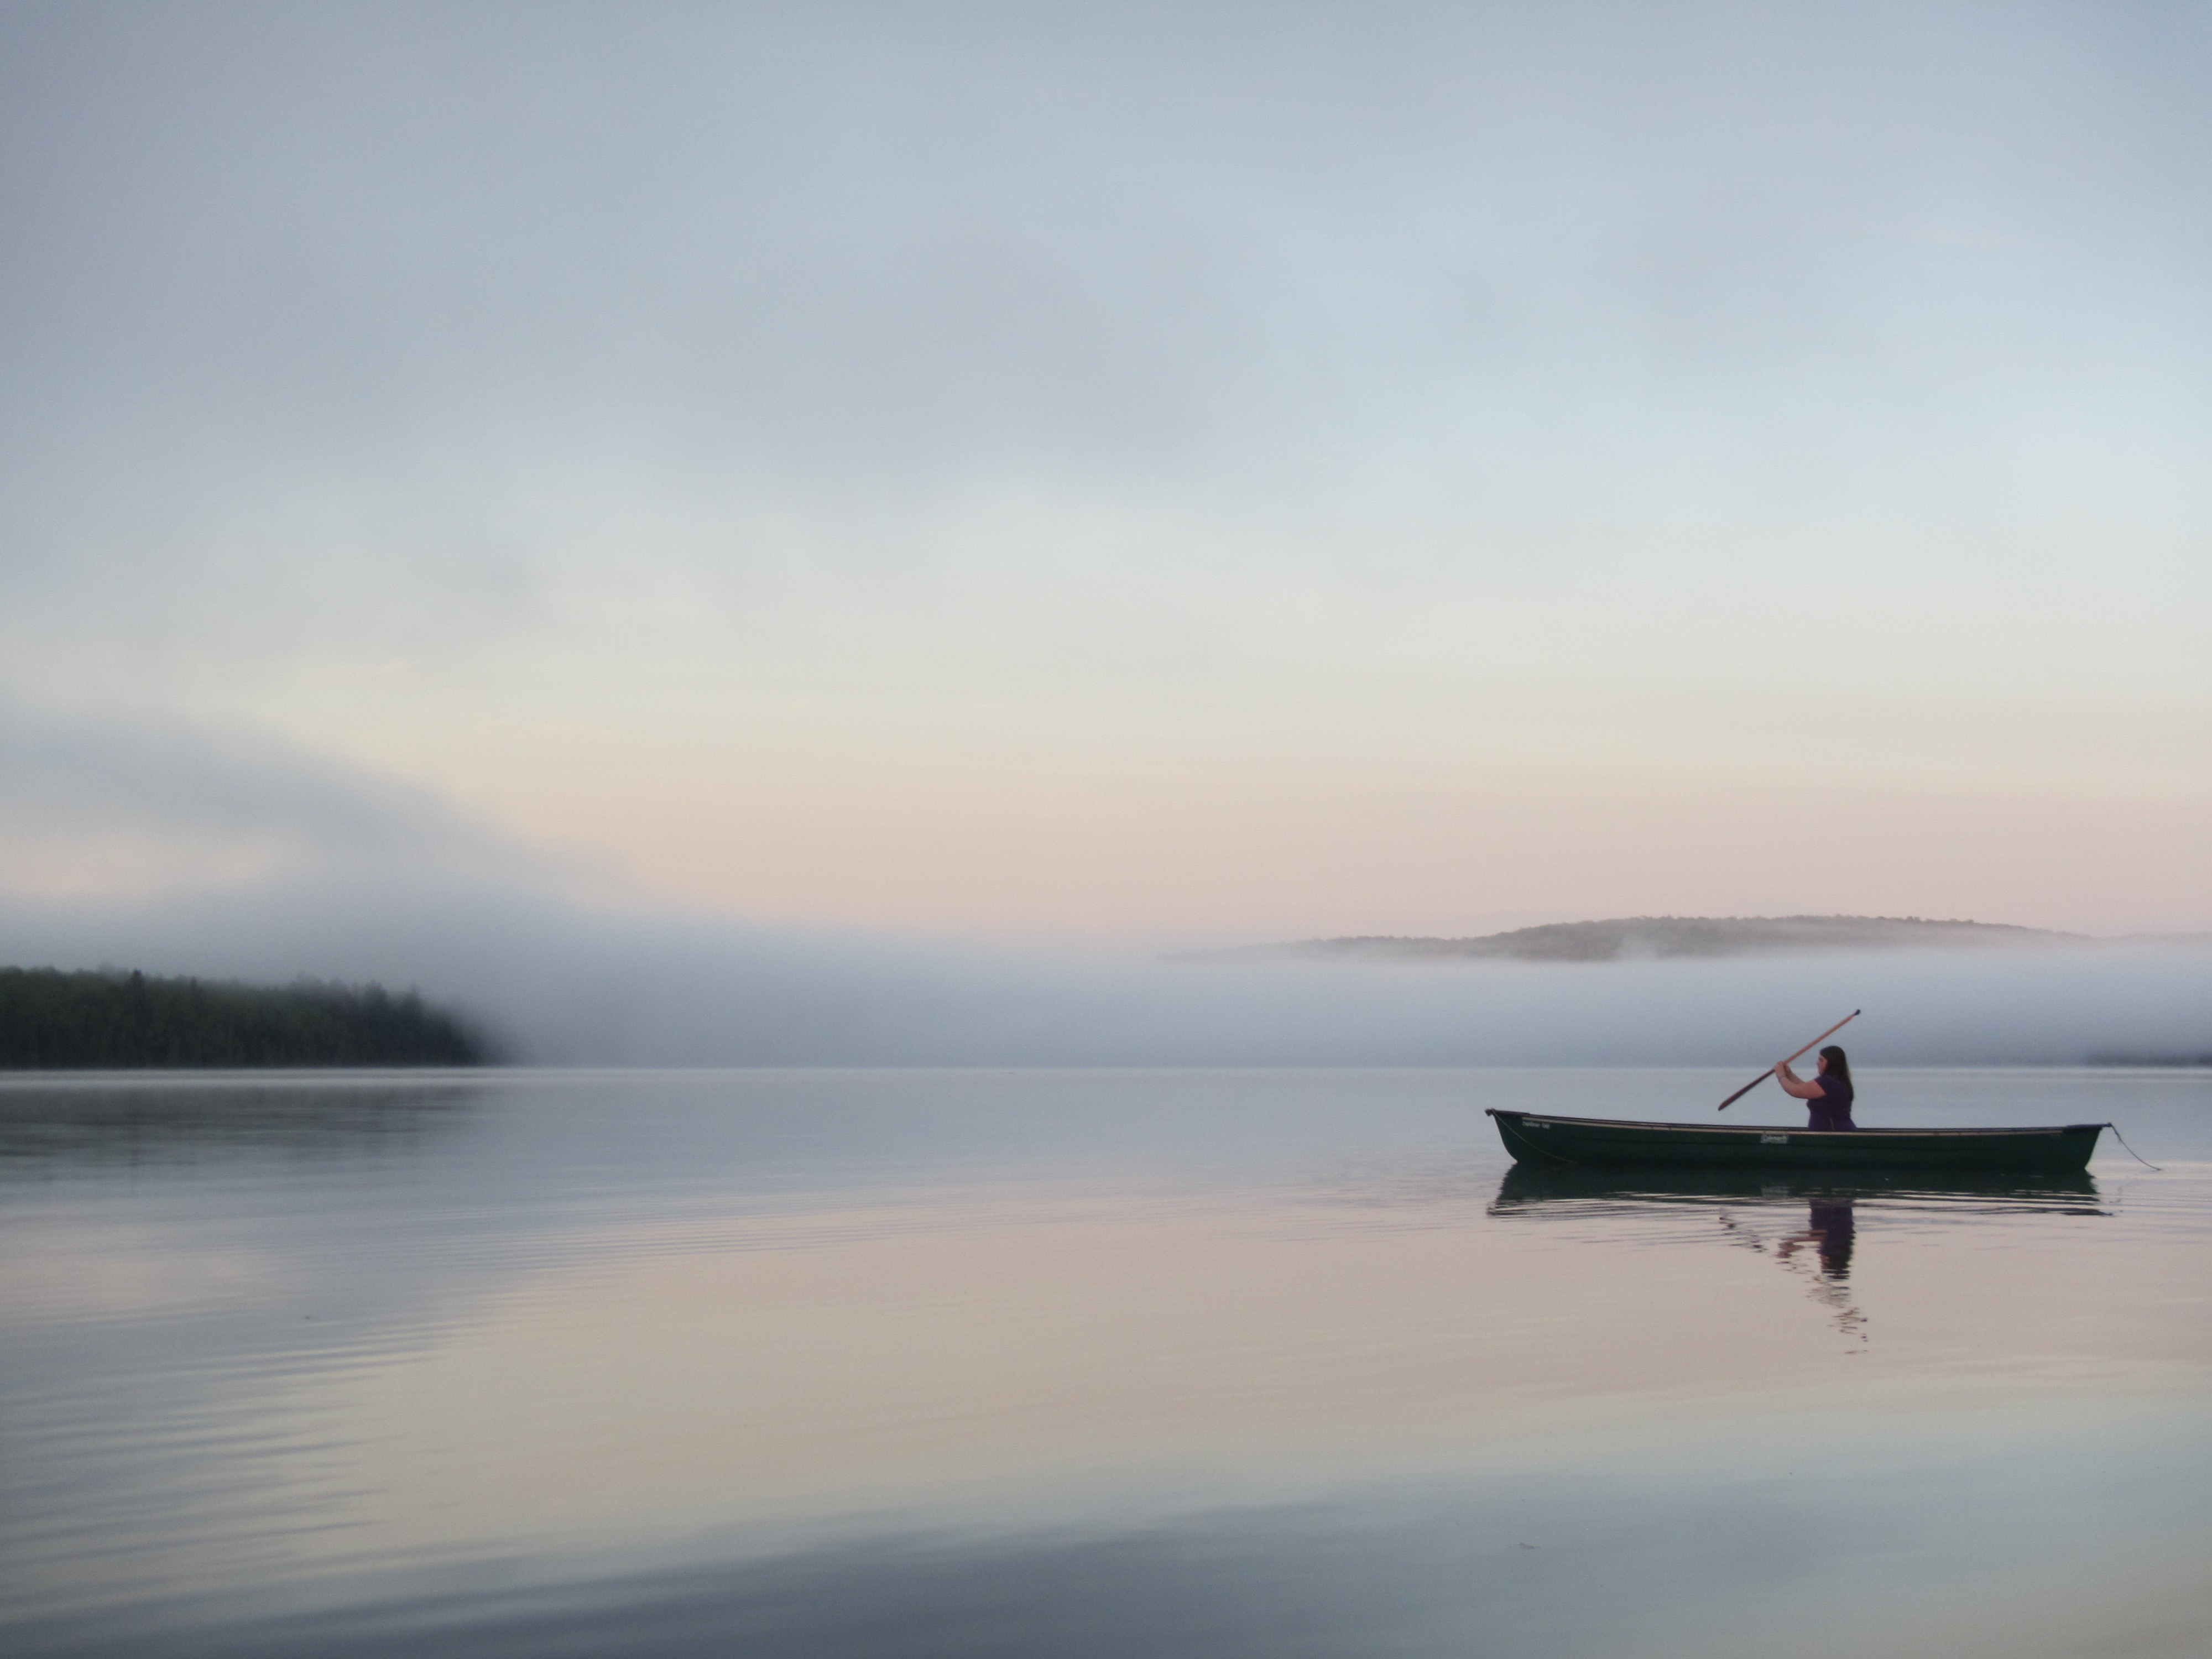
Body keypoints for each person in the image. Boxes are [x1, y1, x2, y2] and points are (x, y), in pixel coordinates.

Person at [1774, 1045, 1855, 1131]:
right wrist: (1789, 1074)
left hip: (1833, 1135)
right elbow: (1806, 1089)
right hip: (1836, 1131)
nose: (1817, 1063)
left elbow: (1795, 1091)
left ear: (1832, 1063)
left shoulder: (1827, 1082)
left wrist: (1781, 1076)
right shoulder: (1837, 1081)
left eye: (1821, 1060)